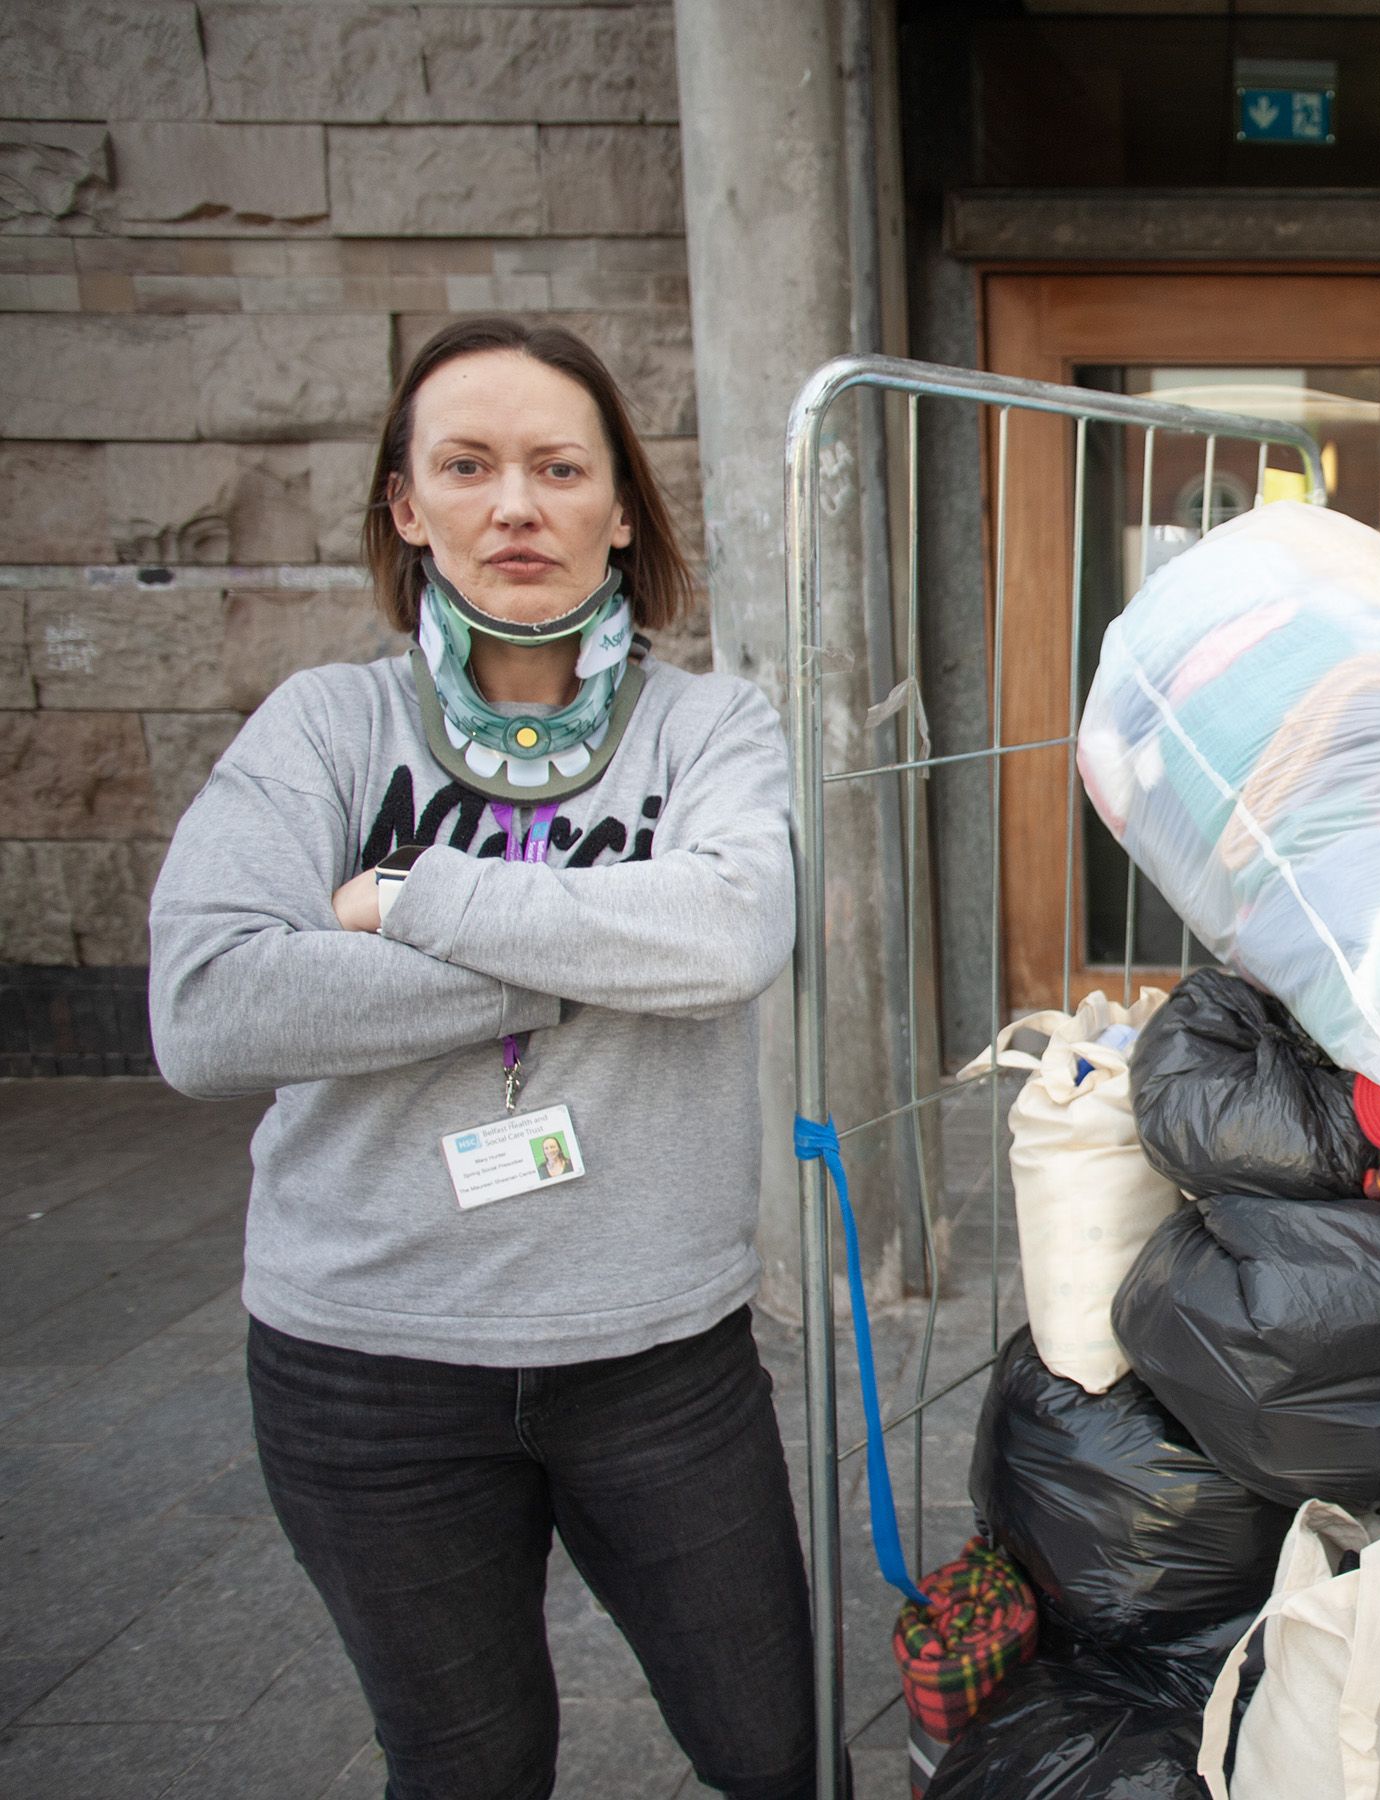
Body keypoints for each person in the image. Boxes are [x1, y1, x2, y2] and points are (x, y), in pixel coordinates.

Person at [150, 318, 813, 1799]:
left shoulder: (710, 727)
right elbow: (208, 1009)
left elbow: (722, 939)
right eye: (467, 465)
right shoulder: (325, 729)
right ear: (406, 505)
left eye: (559, 467)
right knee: (469, 1766)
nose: (516, 505)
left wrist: (408, 899)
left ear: (621, 509)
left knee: (775, 1747)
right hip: (365, 1366)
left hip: (657, 1357)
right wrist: (593, 960)